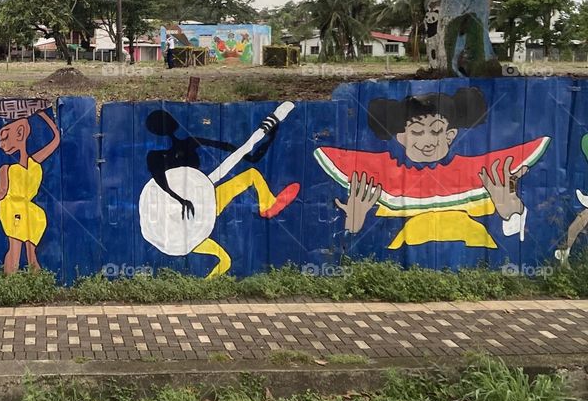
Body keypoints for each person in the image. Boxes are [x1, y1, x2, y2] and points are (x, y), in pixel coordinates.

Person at [315, 87, 548, 250]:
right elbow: (353, 248)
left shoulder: (492, 186)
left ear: (451, 136)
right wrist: (354, 223)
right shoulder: (370, 198)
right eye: (417, 132)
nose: (427, 141)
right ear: (401, 138)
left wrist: (511, 213)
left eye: (436, 130)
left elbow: (515, 245)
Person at [140, 105, 300, 276]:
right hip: (181, 219)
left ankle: (268, 204)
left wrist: (266, 137)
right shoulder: (166, 152)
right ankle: (267, 203)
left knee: (225, 260)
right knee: (252, 176)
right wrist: (181, 200)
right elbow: (160, 181)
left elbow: (238, 151)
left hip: (199, 208)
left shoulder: (183, 145)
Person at [0, 108, 61, 273]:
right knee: (19, 252)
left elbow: (55, 140)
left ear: (21, 133)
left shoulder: (30, 162)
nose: (1, 143)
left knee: (26, 253)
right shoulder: (9, 169)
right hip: (13, 210)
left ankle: (23, 285)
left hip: (30, 212)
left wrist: (40, 112)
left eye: (5, 136)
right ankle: (18, 284)